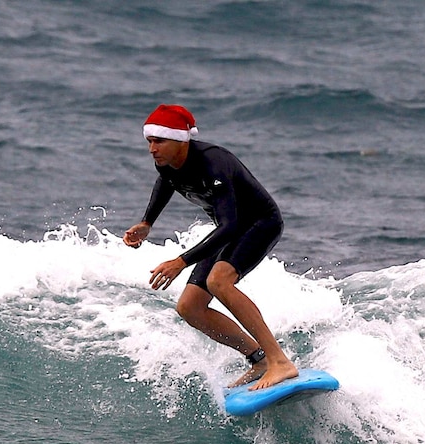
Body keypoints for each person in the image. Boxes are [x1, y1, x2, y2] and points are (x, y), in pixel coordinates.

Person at [124, 104, 299, 390]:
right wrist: (147, 222)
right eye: (149, 141)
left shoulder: (213, 163)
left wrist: (181, 262)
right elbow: (165, 181)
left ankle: (280, 361)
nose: (152, 149)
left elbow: (229, 226)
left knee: (220, 281)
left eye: (159, 141)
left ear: (180, 140)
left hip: (259, 224)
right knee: (190, 307)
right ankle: (259, 359)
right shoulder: (167, 162)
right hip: (229, 229)